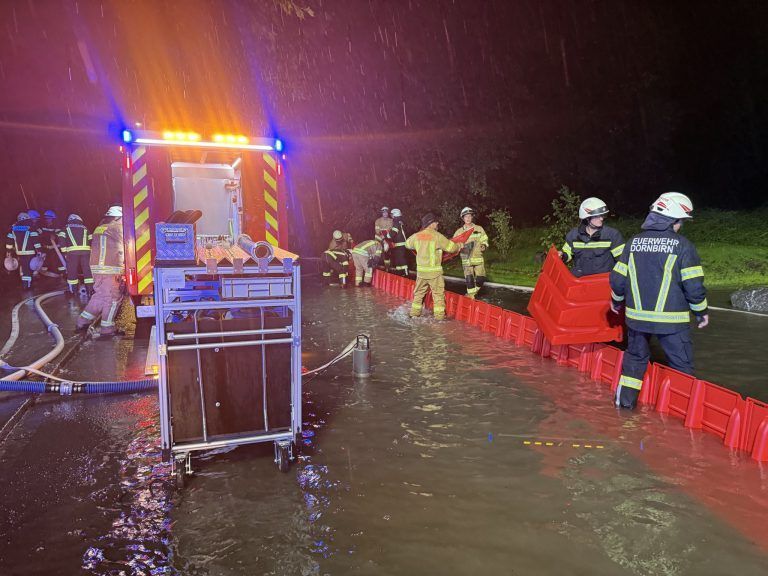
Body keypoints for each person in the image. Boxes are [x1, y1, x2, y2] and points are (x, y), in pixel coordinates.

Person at [609, 192, 708, 409]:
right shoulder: (683, 246)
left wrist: (616, 301)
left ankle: (623, 408)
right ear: (673, 220)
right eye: (681, 221)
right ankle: (678, 412)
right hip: (672, 321)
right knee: (681, 365)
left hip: (636, 320)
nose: (681, 226)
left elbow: (617, 280)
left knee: (635, 361)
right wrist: (701, 312)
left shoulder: (633, 243)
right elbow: (694, 286)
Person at [77, 205, 125, 335]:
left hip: (96, 269)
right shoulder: (118, 228)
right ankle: (107, 328)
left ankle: (82, 321)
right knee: (113, 298)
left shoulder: (100, 228)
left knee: (100, 296)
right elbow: (128, 244)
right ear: (118, 217)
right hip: (111, 269)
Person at [405, 212, 462, 319]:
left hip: (421, 273)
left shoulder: (417, 236)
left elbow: (407, 244)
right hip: (434, 273)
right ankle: (439, 319)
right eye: (436, 222)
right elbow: (451, 248)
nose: (437, 224)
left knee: (418, 294)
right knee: (438, 295)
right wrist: (459, 245)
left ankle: (414, 315)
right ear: (431, 223)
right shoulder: (437, 236)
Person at [560, 198, 624, 277]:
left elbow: (623, 261)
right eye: (597, 216)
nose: (601, 218)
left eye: (602, 215)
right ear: (587, 217)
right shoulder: (574, 235)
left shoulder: (612, 235)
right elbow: (567, 254)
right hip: (580, 281)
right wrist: (562, 255)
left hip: (602, 281)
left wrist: (617, 279)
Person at [454, 207, 489, 299]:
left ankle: (473, 293)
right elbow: (454, 244)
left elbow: (484, 240)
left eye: (470, 216)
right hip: (466, 259)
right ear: (463, 218)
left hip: (478, 258)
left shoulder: (479, 228)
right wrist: (457, 247)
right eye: (466, 216)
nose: (468, 218)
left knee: (481, 279)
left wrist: (484, 245)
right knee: (469, 280)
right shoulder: (459, 232)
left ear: (472, 217)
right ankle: (471, 297)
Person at [57, 214, 94, 295]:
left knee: (72, 271)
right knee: (87, 271)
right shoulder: (85, 228)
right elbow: (91, 240)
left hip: (72, 253)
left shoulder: (65, 228)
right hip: (86, 252)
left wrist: (64, 252)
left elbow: (61, 241)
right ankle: (90, 290)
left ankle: (73, 291)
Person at [5, 212, 41, 289]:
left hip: (19, 253)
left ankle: (26, 284)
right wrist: (39, 250)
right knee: (30, 268)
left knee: (25, 268)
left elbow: (9, 241)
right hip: (30, 252)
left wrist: (9, 251)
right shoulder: (31, 226)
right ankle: (27, 285)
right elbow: (35, 240)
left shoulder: (13, 228)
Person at [39, 209, 65, 277]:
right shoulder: (43, 226)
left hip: (55, 248)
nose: (47, 220)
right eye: (46, 218)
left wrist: (54, 236)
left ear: (53, 218)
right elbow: (40, 235)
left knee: (58, 260)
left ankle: (62, 273)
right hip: (46, 247)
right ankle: (44, 274)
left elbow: (59, 235)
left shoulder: (57, 226)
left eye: (49, 218)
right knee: (45, 260)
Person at [389, 208, 409, 276]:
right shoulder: (399, 222)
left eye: (392, 214)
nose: (391, 216)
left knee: (401, 258)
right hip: (398, 244)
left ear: (395, 214)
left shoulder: (396, 222)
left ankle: (406, 273)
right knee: (398, 259)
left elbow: (392, 233)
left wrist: (386, 235)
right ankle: (400, 272)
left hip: (400, 244)